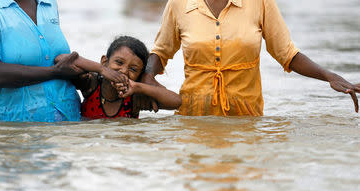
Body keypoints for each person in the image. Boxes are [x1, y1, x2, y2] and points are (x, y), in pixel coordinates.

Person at [143, 0, 360, 116]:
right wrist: (148, 77)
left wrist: (328, 75)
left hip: (246, 117)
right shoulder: (179, 4)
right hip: (193, 116)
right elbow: (161, 52)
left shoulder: (259, 2)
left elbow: (287, 54)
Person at [0, 0, 99, 122]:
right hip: (13, 131)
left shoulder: (48, 3)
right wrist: (54, 72)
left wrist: (88, 78)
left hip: (67, 126)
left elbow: (56, 60)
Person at [55, 36, 181, 119]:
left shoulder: (135, 98)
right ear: (104, 61)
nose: (124, 71)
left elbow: (177, 102)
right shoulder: (92, 84)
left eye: (133, 69)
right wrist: (101, 70)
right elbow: (60, 59)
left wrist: (139, 87)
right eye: (119, 63)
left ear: (139, 76)